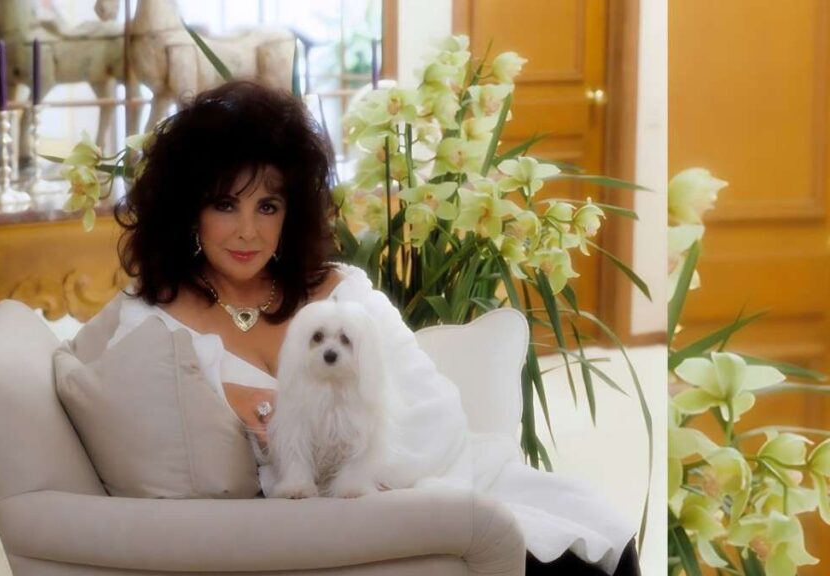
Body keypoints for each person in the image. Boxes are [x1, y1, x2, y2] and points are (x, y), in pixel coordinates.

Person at [108, 80, 640, 576]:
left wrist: (363, 456)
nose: (248, 230)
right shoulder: (154, 319)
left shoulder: (344, 291)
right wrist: (228, 394)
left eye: (267, 206)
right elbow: (138, 416)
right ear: (188, 211)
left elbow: (434, 418)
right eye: (225, 204)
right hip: (299, 537)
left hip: (433, 485)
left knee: (593, 539)